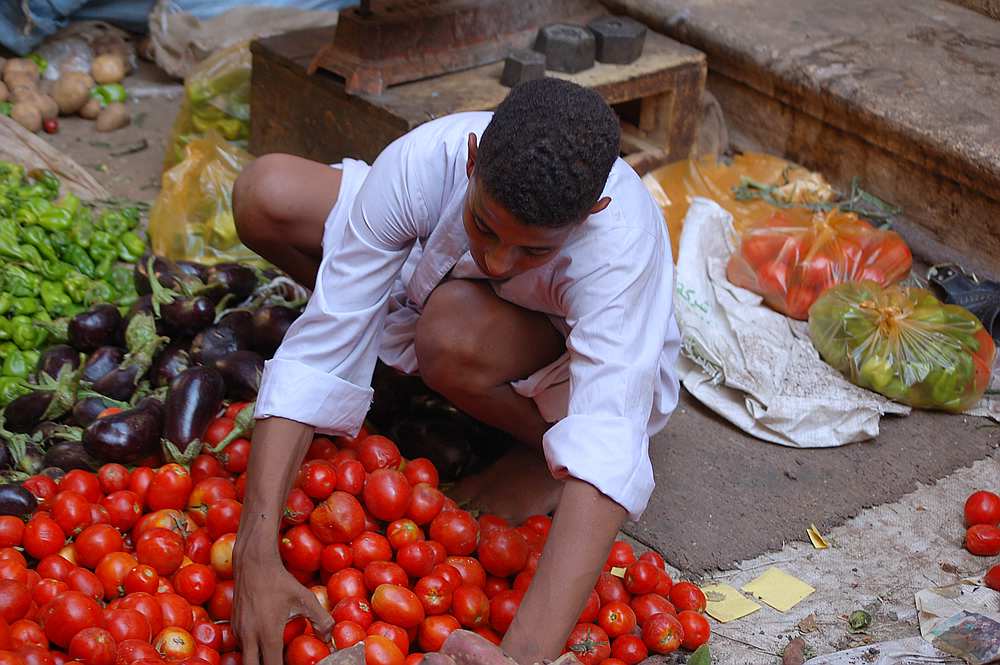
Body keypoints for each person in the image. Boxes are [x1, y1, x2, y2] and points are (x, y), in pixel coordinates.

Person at [230, 78, 680, 665]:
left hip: (554, 356)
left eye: (533, 251)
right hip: (439, 292)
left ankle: (540, 450)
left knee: (447, 337)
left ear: (592, 213)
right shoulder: (425, 161)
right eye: (484, 226)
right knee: (265, 190)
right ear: (472, 161)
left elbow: (609, 441)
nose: (499, 260)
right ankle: (412, 360)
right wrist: (254, 552)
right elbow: (319, 345)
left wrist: (517, 657)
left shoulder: (620, 250)